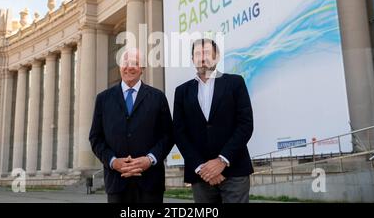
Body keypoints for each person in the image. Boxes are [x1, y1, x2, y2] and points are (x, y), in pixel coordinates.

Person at [173, 38, 254, 203]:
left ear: (217, 57)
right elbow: (179, 133)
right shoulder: (181, 91)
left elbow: (245, 125)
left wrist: (222, 160)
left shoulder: (235, 83)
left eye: (207, 53)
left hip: (234, 170)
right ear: (192, 59)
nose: (202, 58)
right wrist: (201, 168)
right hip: (200, 174)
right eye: (197, 54)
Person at [89, 48, 173, 203]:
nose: (129, 67)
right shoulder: (103, 99)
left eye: (135, 63)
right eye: (125, 63)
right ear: (119, 67)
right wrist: (113, 161)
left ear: (142, 69)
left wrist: (150, 159)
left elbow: (168, 135)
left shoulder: (158, 97)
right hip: (116, 181)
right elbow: (96, 138)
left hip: (150, 182)